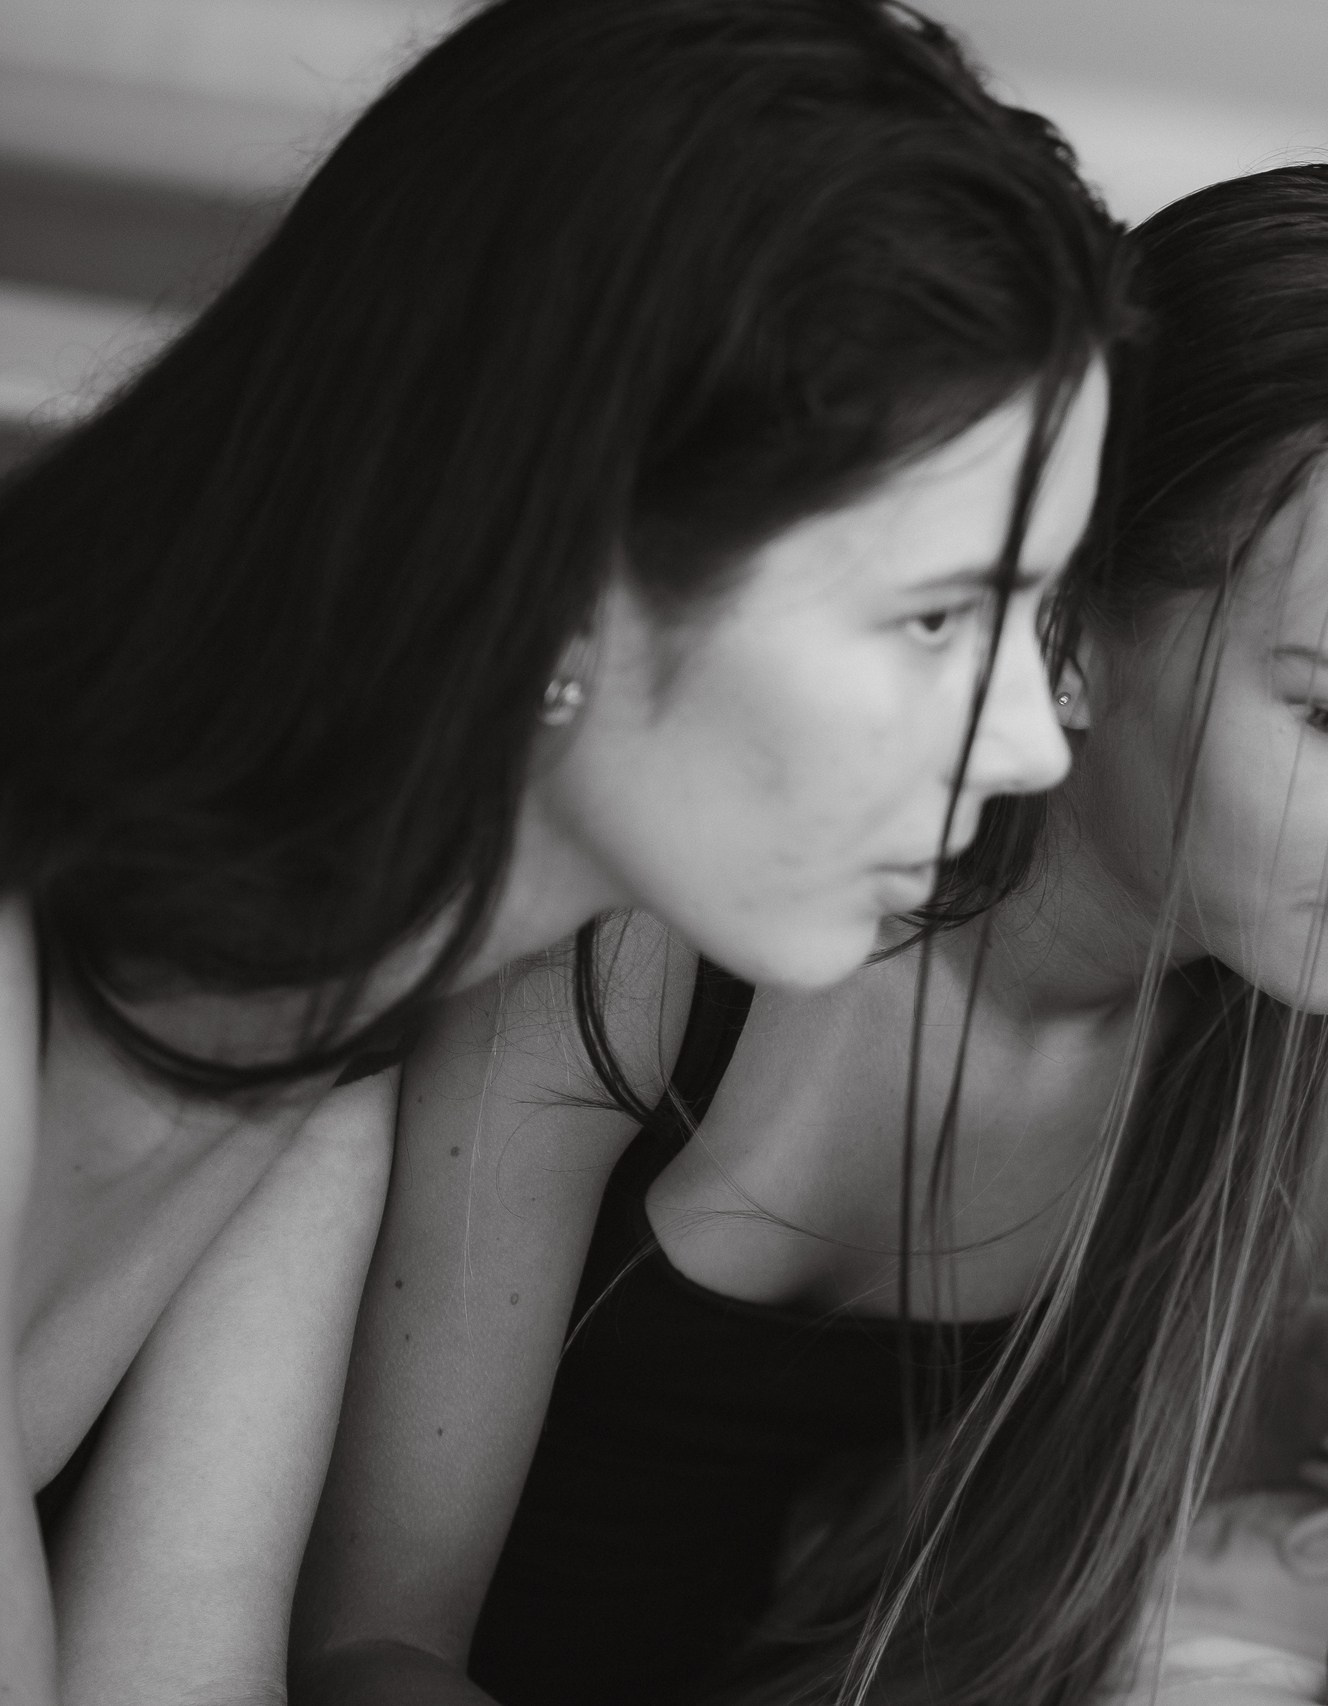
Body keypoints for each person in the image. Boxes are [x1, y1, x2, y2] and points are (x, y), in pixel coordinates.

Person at [294, 163, 1328, 1706]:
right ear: (1067, 628)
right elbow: (365, 1643)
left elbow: (1018, 1563)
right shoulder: (646, 947)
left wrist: (1294, 1402)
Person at [0, 2, 1118, 1700]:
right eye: (938, 614)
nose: (1034, 739)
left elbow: (175, 1657)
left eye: (1042, 611)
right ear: (557, 557)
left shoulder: (328, 1006)